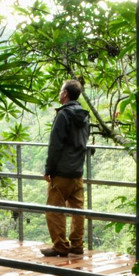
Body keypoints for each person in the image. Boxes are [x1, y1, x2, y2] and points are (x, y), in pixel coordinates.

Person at [41, 78, 91, 257]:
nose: (60, 93)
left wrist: (49, 170)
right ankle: (77, 244)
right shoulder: (85, 116)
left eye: (61, 90)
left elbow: (55, 145)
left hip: (61, 172)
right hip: (77, 171)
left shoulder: (63, 115)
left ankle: (60, 246)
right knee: (77, 211)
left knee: (54, 210)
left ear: (65, 94)